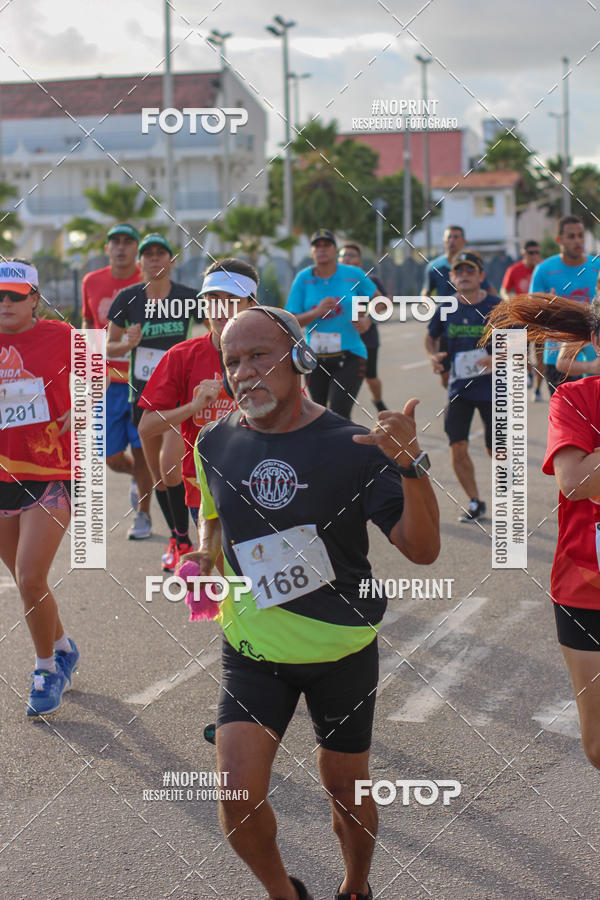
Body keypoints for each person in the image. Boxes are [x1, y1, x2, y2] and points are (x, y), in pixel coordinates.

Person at [181, 306, 440, 900]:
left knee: (347, 793)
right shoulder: (215, 441)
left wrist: (411, 465)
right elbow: (213, 520)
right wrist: (204, 554)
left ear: (299, 356)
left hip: (342, 650)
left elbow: (421, 550)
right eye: (232, 361)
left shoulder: (353, 446)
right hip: (253, 650)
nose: (244, 373)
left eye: (259, 356)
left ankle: (355, 886)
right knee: (238, 800)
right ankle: (283, 894)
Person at [484, 291, 600, 772]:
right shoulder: (575, 397)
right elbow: (577, 482)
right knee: (597, 746)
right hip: (586, 589)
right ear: (596, 338)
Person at [0, 260, 79, 716]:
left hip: (48, 471)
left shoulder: (62, 336)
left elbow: (103, 378)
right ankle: (64, 645)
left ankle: (47, 668)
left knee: (30, 576)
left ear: (34, 298)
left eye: (15, 295)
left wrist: (82, 407)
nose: (6, 304)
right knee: (27, 581)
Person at [138, 258, 257, 532]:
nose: (221, 307)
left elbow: (300, 415)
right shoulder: (181, 356)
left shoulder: (274, 354)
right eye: (213, 298)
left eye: (231, 298)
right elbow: (147, 427)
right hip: (204, 492)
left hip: (259, 484)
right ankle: (179, 540)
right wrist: (192, 407)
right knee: (229, 574)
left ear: (251, 303)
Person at [106, 233, 200, 570]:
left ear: (171, 261)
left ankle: (186, 538)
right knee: (161, 476)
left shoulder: (189, 297)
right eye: (149, 254)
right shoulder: (128, 298)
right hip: (143, 396)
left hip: (178, 396)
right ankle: (178, 537)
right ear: (140, 262)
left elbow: (219, 330)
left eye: (161, 254)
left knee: (172, 466)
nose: (155, 259)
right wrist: (126, 345)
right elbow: (107, 346)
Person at [82, 222, 154, 538]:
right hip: (107, 384)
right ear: (108, 248)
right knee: (111, 457)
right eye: (116, 242)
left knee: (142, 452)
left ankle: (144, 515)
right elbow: (88, 322)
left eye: (128, 241)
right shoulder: (91, 281)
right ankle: (138, 478)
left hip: (143, 382)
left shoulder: (150, 281)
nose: (121, 247)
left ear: (135, 250)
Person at [424, 251, 500, 522]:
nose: (465, 275)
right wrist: (433, 356)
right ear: (453, 277)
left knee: (496, 449)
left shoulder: (497, 306)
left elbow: (518, 344)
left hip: (493, 389)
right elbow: (431, 338)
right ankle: (475, 501)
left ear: (481, 276)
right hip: (459, 389)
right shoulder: (445, 306)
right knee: (457, 445)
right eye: (459, 271)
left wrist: (496, 356)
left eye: (471, 270)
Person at [286, 229, 377, 420]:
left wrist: (368, 318)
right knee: (318, 415)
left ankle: (345, 449)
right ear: (311, 252)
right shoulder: (303, 279)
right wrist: (315, 313)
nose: (322, 250)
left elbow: (382, 301)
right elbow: (290, 320)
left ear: (336, 250)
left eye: (326, 245)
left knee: (338, 413)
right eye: (317, 246)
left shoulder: (353, 275)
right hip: (315, 358)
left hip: (350, 355)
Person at [530, 215, 600, 395]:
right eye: (571, 236)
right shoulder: (544, 270)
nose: (578, 241)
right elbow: (532, 313)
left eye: (580, 235)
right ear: (559, 240)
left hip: (594, 355)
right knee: (564, 419)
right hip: (558, 359)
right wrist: (546, 309)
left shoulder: (597, 265)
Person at [421, 225, 495, 388]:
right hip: (449, 320)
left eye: (456, 237)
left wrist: (498, 308)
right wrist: (432, 310)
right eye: (449, 237)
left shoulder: (472, 265)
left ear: (463, 241)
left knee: (482, 368)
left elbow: (490, 291)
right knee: (446, 373)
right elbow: (425, 292)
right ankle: (456, 394)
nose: (452, 241)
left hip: (475, 317)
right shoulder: (434, 266)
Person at [337, 242, 387, 412]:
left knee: (371, 378)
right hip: (339, 340)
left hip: (366, 337)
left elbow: (384, 303)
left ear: (359, 260)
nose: (347, 258)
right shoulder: (329, 282)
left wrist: (368, 319)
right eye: (344, 255)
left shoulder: (369, 281)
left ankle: (379, 403)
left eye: (352, 255)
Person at [500, 240, 544, 400]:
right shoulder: (514, 269)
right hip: (521, 318)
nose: (535, 256)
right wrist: (508, 299)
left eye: (537, 252)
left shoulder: (543, 269)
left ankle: (538, 389)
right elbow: (504, 289)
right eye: (531, 252)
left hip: (540, 320)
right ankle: (529, 372)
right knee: (518, 353)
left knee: (540, 356)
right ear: (524, 253)